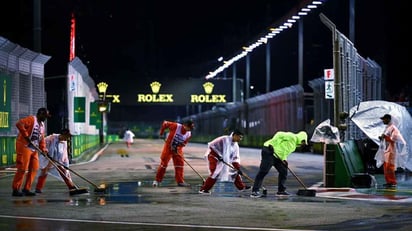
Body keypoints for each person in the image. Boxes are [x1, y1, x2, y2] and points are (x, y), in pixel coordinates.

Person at [250, 131, 308, 198]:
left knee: (284, 171)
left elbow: (284, 151)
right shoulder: (292, 137)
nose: (303, 144)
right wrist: (272, 144)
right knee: (264, 171)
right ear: (302, 139)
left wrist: (284, 159)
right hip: (269, 151)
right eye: (304, 142)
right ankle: (254, 191)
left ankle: (281, 191)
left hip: (278, 157)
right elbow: (279, 134)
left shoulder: (294, 146)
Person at [35, 128, 89, 196]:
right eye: (67, 136)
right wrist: (45, 153)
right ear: (63, 134)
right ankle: (38, 189)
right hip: (46, 158)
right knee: (44, 172)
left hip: (56, 160)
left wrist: (66, 165)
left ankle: (71, 187)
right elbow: (43, 146)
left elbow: (64, 154)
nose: (68, 139)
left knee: (64, 172)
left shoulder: (64, 142)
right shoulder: (51, 138)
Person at [12, 107, 50, 196]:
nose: (46, 118)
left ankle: (26, 189)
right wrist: (26, 135)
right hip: (24, 146)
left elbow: (42, 139)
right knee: (22, 168)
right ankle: (16, 189)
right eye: (45, 116)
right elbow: (19, 124)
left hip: (34, 149)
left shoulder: (42, 125)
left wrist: (44, 149)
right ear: (40, 114)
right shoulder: (31, 119)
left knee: (34, 168)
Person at [198, 129, 250, 194]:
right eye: (240, 137)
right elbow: (211, 146)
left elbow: (235, 158)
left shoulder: (235, 146)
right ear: (235, 135)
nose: (241, 139)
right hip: (213, 157)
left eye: (241, 137)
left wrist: (238, 168)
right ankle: (204, 189)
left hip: (223, 160)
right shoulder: (224, 139)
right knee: (215, 173)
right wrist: (218, 156)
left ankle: (241, 187)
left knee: (234, 171)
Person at [153, 119, 195, 187]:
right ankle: (157, 180)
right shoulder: (176, 126)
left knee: (180, 164)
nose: (190, 129)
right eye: (189, 127)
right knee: (164, 164)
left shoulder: (189, 134)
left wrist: (177, 148)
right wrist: (161, 133)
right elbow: (165, 123)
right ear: (184, 125)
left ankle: (180, 181)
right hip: (168, 147)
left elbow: (184, 144)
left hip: (178, 149)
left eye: (191, 128)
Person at [378, 114, 406, 188]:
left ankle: (392, 182)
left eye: (384, 119)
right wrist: (382, 137)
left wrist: (385, 137)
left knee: (389, 167)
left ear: (388, 119)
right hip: (386, 149)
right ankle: (388, 182)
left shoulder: (393, 128)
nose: (383, 121)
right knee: (386, 167)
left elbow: (395, 139)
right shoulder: (387, 128)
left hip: (391, 150)